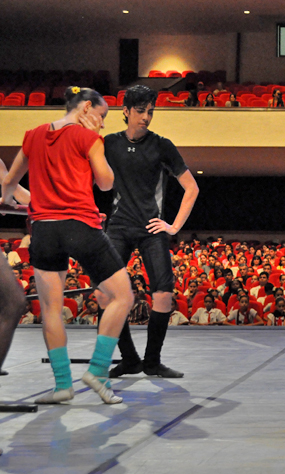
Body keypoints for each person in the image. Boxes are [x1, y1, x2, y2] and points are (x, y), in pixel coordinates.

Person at [1, 86, 134, 404]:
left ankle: (63, 386)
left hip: (44, 231)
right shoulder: (88, 137)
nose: (101, 123)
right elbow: (106, 182)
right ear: (87, 107)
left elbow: (9, 184)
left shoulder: (33, 134)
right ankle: (98, 371)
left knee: (50, 310)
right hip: (80, 226)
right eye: (101, 116)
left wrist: (12, 202)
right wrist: (96, 143)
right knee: (123, 296)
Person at [102, 85, 200, 379]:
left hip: (151, 228)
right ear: (126, 112)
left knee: (164, 297)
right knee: (107, 297)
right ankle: (130, 359)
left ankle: (152, 362)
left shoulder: (162, 145)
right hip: (118, 227)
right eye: (141, 111)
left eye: (151, 112)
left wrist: (174, 226)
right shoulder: (108, 144)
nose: (146, 117)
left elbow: (192, 188)